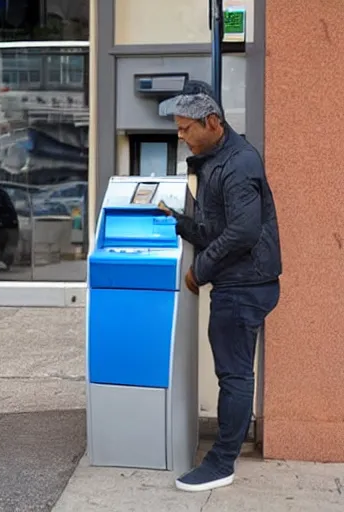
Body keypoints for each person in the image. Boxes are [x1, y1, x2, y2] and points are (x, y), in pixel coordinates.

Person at [160, 80, 282, 492]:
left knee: (234, 375)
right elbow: (217, 227)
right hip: (241, 280)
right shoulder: (216, 158)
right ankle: (224, 451)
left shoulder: (240, 162)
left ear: (212, 122)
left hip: (245, 283)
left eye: (185, 128)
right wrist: (180, 223)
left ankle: (221, 462)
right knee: (232, 371)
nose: (180, 136)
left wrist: (200, 271)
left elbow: (244, 232)